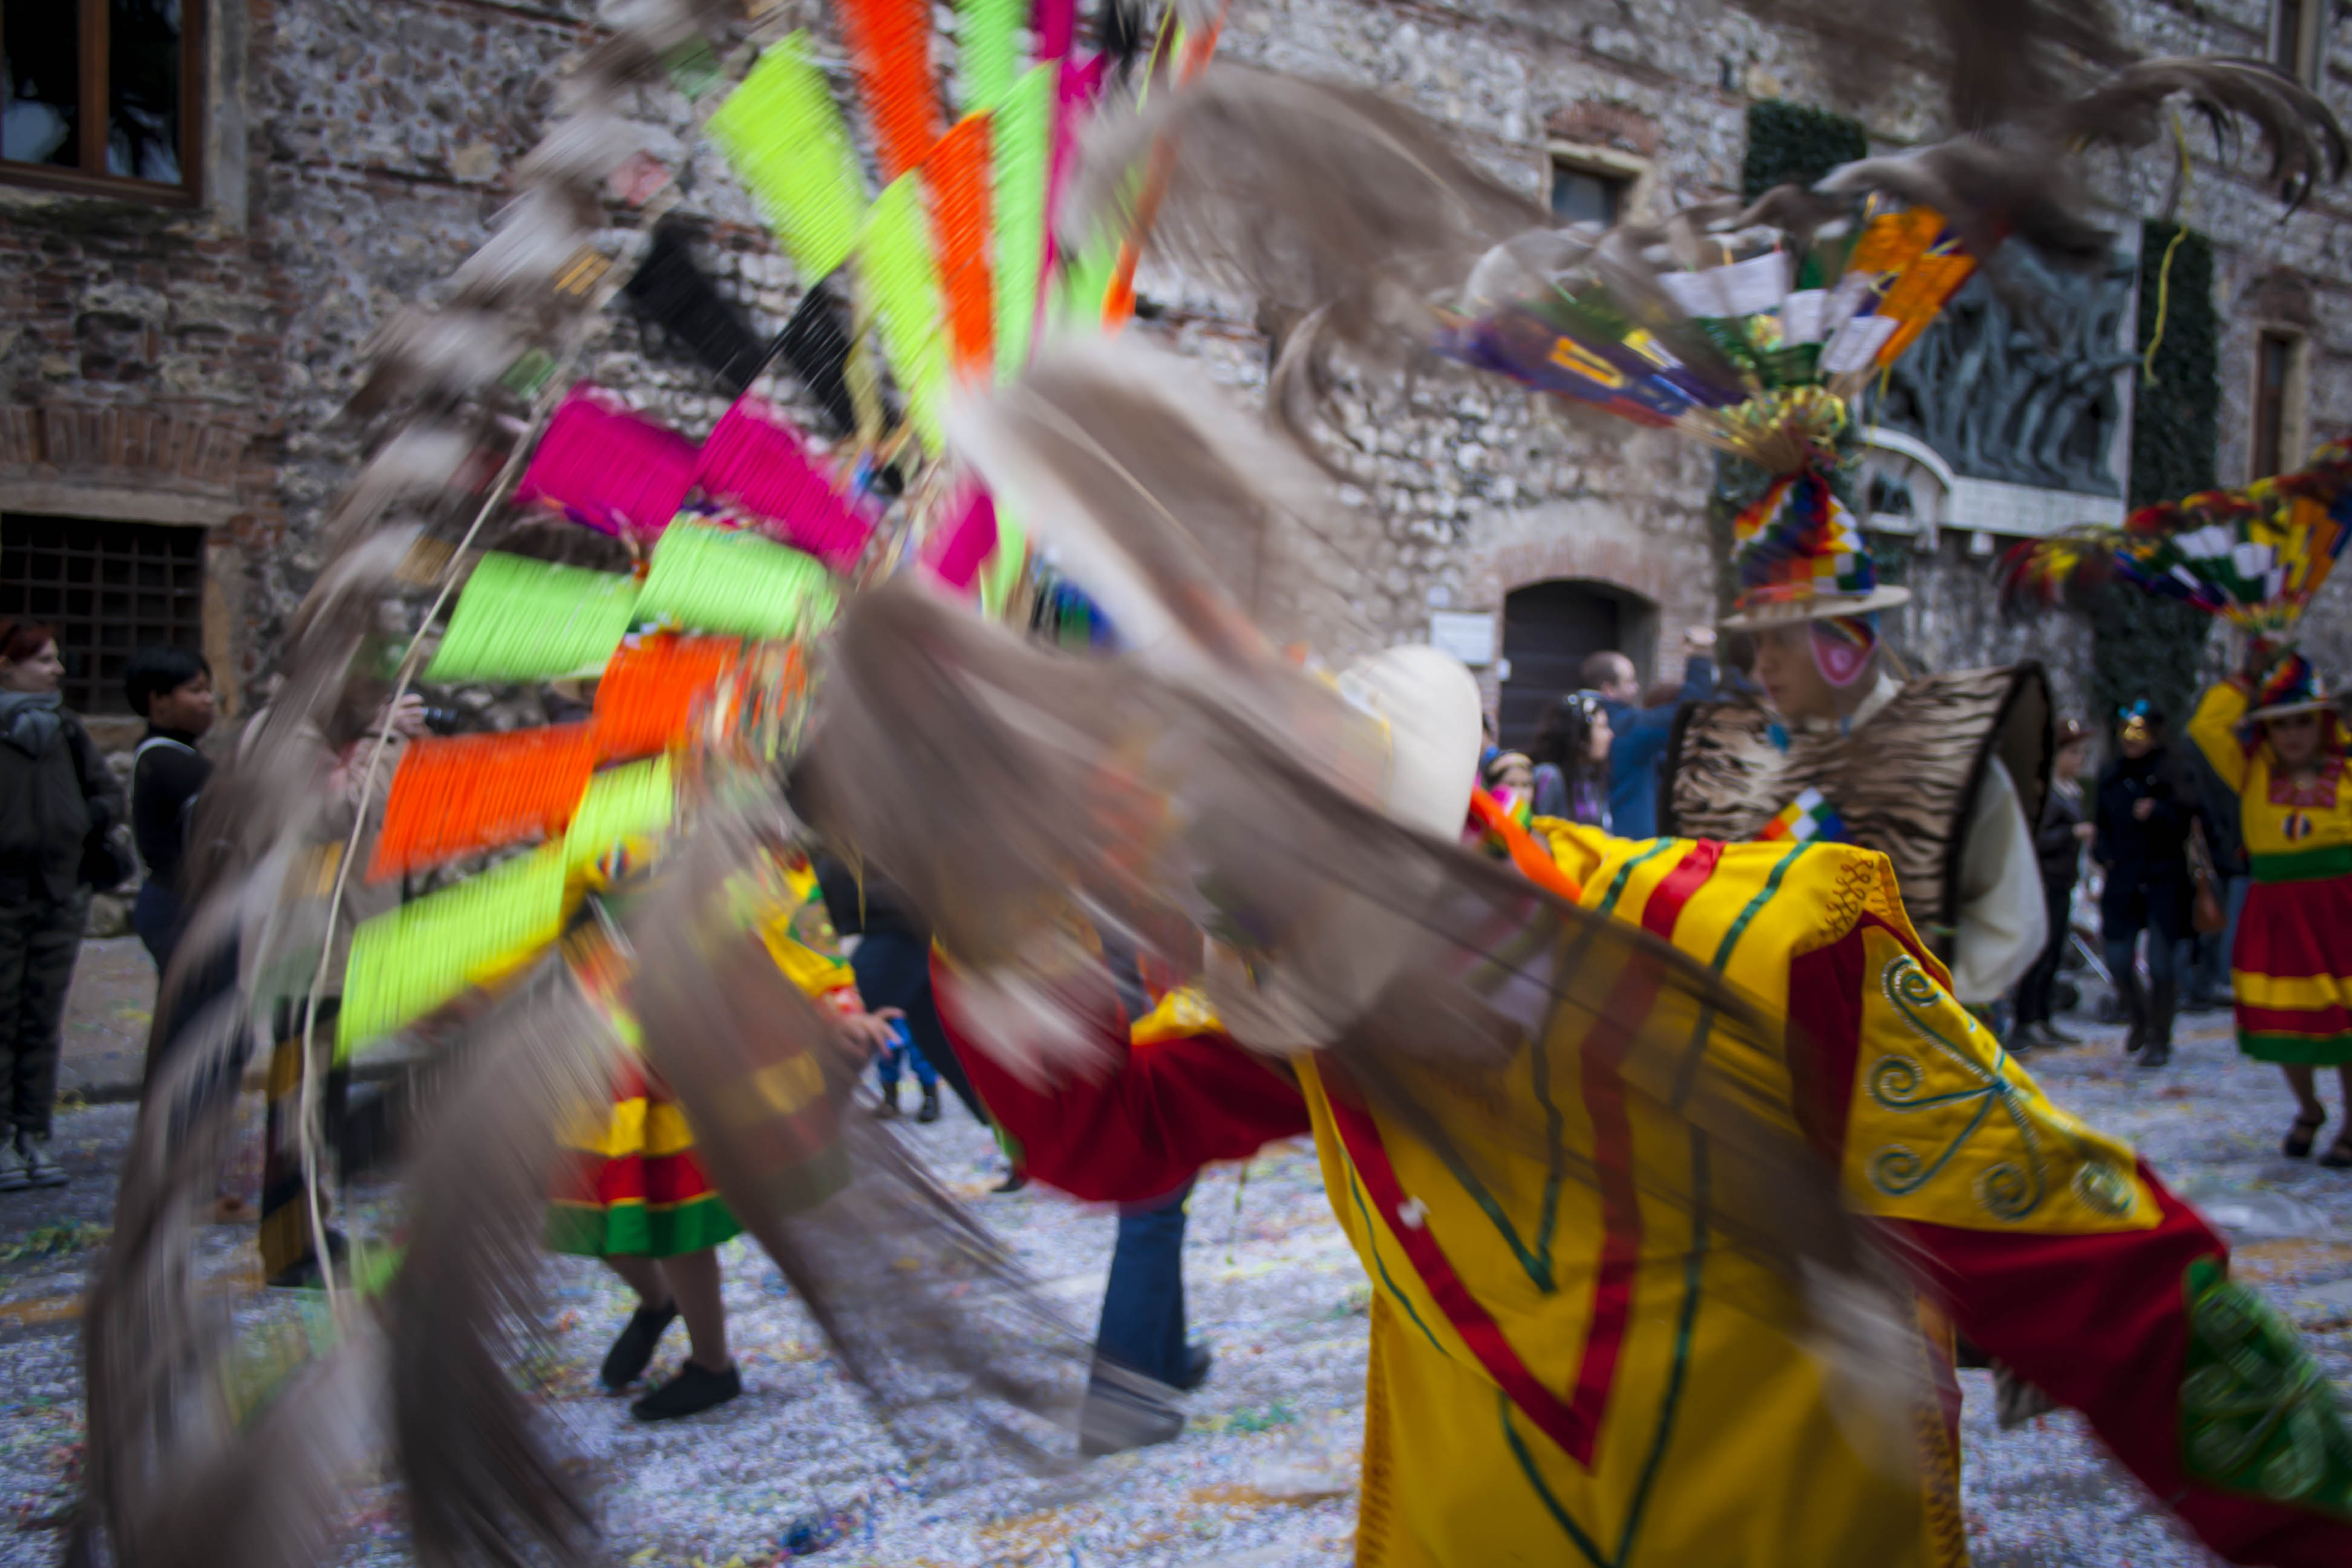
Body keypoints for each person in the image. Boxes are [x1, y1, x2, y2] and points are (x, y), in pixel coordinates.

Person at [935, 647, 2352, 1567]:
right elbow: (1105, 1132)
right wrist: (985, 915)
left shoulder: (1776, 955)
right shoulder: (1310, 1011)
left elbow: (2110, 1284)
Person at [1661, 480, 2049, 1019]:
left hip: (1899, 1064)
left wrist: (1914, 1011)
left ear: (1844, 642)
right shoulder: (1736, 758)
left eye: (1784, 640)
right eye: (1759, 642)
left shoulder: (1947, 758)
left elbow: (2012, 920)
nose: (1763, 665)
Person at [2186, 649, 2352, 1165]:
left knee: (2346, 1019)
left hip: (2340, 907)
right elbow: (2208, 726)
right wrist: (2246, 677)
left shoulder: (2348, 769)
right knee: (2286, 1021)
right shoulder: (2251, 769)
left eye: (2304, 722)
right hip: (2278, 906)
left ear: (2323, 722)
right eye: (2281, 726)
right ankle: (2308, 1109)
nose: (2294, 735)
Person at [0, 621, 122, 1192]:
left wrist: (79, 823)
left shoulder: (66, 729)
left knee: (42, 1019)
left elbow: (106, 794)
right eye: (44, 660)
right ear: (7, 665)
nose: (58, 670)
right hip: (6, 895)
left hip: (60, 892)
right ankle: (3, 1137)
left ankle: (35, 1132)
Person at [2092, 699, 2199, 1068]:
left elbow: (2189, 819)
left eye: (2138, 732)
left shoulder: (2172, 772)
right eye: (2126, 732)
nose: (2131, 740)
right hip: (2123, 878)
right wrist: (2104, 854)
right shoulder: (2111, 776)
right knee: (2119, 960)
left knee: (2161, 964)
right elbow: (2100, 825)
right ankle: (2138, 1018)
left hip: (2163, 878)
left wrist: (2160, 813)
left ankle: (2160, 1037)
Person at [124, 646, 218, 976]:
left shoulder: (172, 756)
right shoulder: (170, 762)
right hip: (178, 905)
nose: (208, 700)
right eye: (196, 691)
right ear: (159, 701)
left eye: (208, 690)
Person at [1581, 630, 1715, 839]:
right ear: (1608, 689)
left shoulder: (1574, 720)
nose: (1637, 687)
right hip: (1628, 843)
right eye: (1630, 681)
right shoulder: (1627, 726)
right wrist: (1700, 655)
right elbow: (1690, 711)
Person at [2011, 719, 2092, 1049]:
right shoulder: (2046, 794)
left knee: (2055, 951)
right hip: (2042, 881)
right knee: (2038, 953)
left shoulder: (2072, 792)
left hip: (2062, 881)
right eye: (2073, 753)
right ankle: (2026, 1019)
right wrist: (2071, 835)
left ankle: (2043, 1018)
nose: (2079, 760)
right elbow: (2036, 838)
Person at [1527, 690, 1610, 827]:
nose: (1610, 734)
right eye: (1602, 727)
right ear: (1581, 736)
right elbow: (1536, 832)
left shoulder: (1591, 775)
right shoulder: (1549, 776)